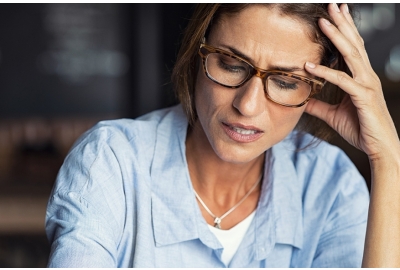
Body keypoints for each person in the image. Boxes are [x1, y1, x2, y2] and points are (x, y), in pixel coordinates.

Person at [45, 3, 400, 267]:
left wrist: (388, 161)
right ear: (197, 52)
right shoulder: (111, 162)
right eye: (231, 65)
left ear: (316, 88)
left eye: (285, 82)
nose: (248, 105)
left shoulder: (330, 185)